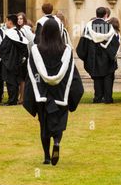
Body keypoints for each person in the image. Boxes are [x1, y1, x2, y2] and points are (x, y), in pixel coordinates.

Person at [23, 19, 84, 166]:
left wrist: (31, 95)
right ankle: (56, 142)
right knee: (58, 123)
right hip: (60, 94)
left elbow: (32, 74)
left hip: (42, 95)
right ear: (58, 33)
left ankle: (46, 157)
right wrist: (72, 94)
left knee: (44, 125)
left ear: (42, 33)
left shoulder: (36, 50)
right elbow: (72, 74)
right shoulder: (66, 50)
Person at [77, 7, 119, 104]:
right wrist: (111, 55)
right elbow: (115, 43)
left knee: (97, 78)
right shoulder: (109, 27)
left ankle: (98, 98)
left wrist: (85, 56)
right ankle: (108, 98)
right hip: (107, 57)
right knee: (108, 77)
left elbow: (83, 43)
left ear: (96, 14)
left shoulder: (89, 26)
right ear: (105, 15)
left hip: (94, 57)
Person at [0, 14, 29, 106]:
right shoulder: (18, 32)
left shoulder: (11, 34)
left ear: (10, 22)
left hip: (10, 61)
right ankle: (13, 99)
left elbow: (4, 47)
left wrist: (0, 52)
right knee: (14, 81)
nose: (5, 23)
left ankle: (12, 100)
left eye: (6, 21)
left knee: (11, 81)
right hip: (16, 62)